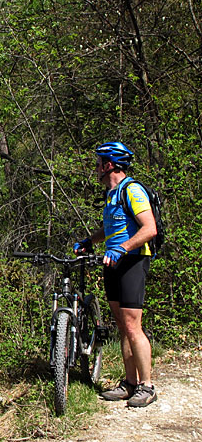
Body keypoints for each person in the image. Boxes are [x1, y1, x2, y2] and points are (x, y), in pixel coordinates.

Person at [73, 141, 158, 407]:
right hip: (113, 263)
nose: (96, 167)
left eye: (98, 162)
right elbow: (111, 230)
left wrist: (121, 248)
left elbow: (149, 228)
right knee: (123, 325)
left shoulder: (132, 190)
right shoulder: (112, 194)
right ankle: (130, 383)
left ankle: (147, 385)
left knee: (133, 326)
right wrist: (90, 240)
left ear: (109, 165)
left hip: (132, 261)